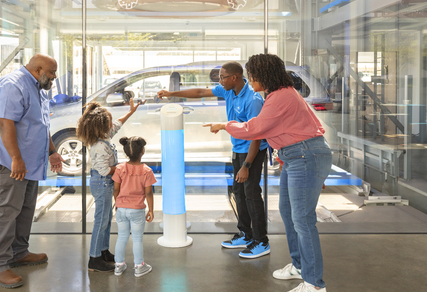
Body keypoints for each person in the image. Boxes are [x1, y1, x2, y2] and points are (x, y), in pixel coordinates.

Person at [205, 54, 332, 292]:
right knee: (288, 213)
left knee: (303, 221)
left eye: (252, 75)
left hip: (305, 157)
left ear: (264, 75)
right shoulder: (280, 94)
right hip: (297, 158)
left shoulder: (280, 96)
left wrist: (225, 125)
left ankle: (315, 285)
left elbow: (256, 128)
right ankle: (299, 267)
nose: (250, 79)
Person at [157, 61, 270, 259]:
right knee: (239, 193)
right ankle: (246, 234)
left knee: (251, 193)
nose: (219, 81)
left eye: (222, 77)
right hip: (238, 148)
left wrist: (246, 165)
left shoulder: (253, 100)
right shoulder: (228, 91)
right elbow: (201, 92)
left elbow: (256, 136)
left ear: (234, 77)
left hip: (252, 151)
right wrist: (170, 94)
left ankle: (262, 241)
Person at [0, 53, 65, 289]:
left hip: (30, 162)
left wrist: (52, 151)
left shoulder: (38, 88)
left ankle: (18, 253)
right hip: (10, 162)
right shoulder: (12, 85)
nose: (54, 77)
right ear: (38, 69)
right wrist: (16, 157)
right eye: (52, 73)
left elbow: (40, 122)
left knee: (25, 210)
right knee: (6, 212)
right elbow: (5, 122)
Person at [76, 99, 141, 272]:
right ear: (101, 126)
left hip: (106, 184)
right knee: (101, 221)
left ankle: (103, 251)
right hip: (102, 183)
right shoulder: (99, 146)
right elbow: (104, 170)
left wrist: (131, 112)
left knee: (106, 220)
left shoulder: (104, 135)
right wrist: (122, 167)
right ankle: (94, 258)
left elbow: (118, 125)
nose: (112, 124)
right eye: (109, 122)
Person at [112, 136, 155, 277]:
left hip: (121, 209)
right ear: (142, 151)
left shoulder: (120, 168)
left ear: (126, 153)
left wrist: (117, 202)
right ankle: (139, 266)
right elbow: (148, 193)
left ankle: (118, 266)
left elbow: (115, 189)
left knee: (122, 237)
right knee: (137, 239)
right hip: (137, 209)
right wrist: (151, 210)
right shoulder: (147, 171)